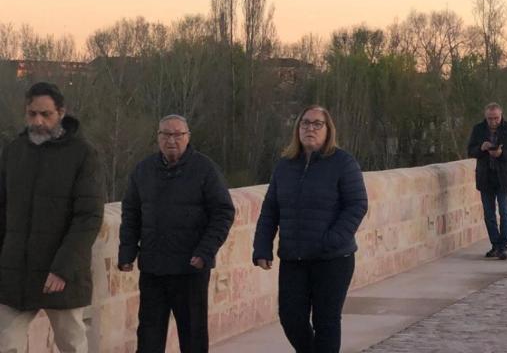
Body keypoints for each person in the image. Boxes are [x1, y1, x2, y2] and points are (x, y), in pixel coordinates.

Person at [253, 106, 369, 353]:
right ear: (297, 129)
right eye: (305, 123)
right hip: (293, 256)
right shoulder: (285, 165)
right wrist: (262, 246)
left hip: (332, 258)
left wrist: (331, 239)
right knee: (290, 317)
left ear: (328, 130)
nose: (310, 129)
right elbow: (271, 208)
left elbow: (357, 205)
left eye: (318, 124)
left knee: (326, 321)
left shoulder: (343, 162)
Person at [0, 82, 104, 353]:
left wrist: (63, 268)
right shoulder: (14, 151)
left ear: (61, 112)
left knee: (71, 344)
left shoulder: (83, 154)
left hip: (61, 273)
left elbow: (88, 217)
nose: (38, 121)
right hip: (16, 272)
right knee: (6, 343)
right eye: (32, 113)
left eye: (45, 114)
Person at [119, 115, 236, 353]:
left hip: (190, 268)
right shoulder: (143, 170)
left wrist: (205, 251)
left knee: (193, 337)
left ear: (187, 137)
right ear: (158, 138)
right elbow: (131, 214)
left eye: (177, 135)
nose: (171, 140)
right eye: (165, 134)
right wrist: (127, 253)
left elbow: (223, 213)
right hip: (153, 268)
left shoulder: (205, 169)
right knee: (149, 336)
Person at [467, 103, 507, 260]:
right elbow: (470, 150)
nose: (493, 122)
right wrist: (481, 148)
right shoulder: (478, 129)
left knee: (504, 212)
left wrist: (501, 153)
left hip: (504, 177)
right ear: (486, 117)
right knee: (489, 214)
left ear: (501, 115)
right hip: (486, 177)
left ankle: (503, 245)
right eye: (490, 119)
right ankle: (495, 244)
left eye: (496, 118)